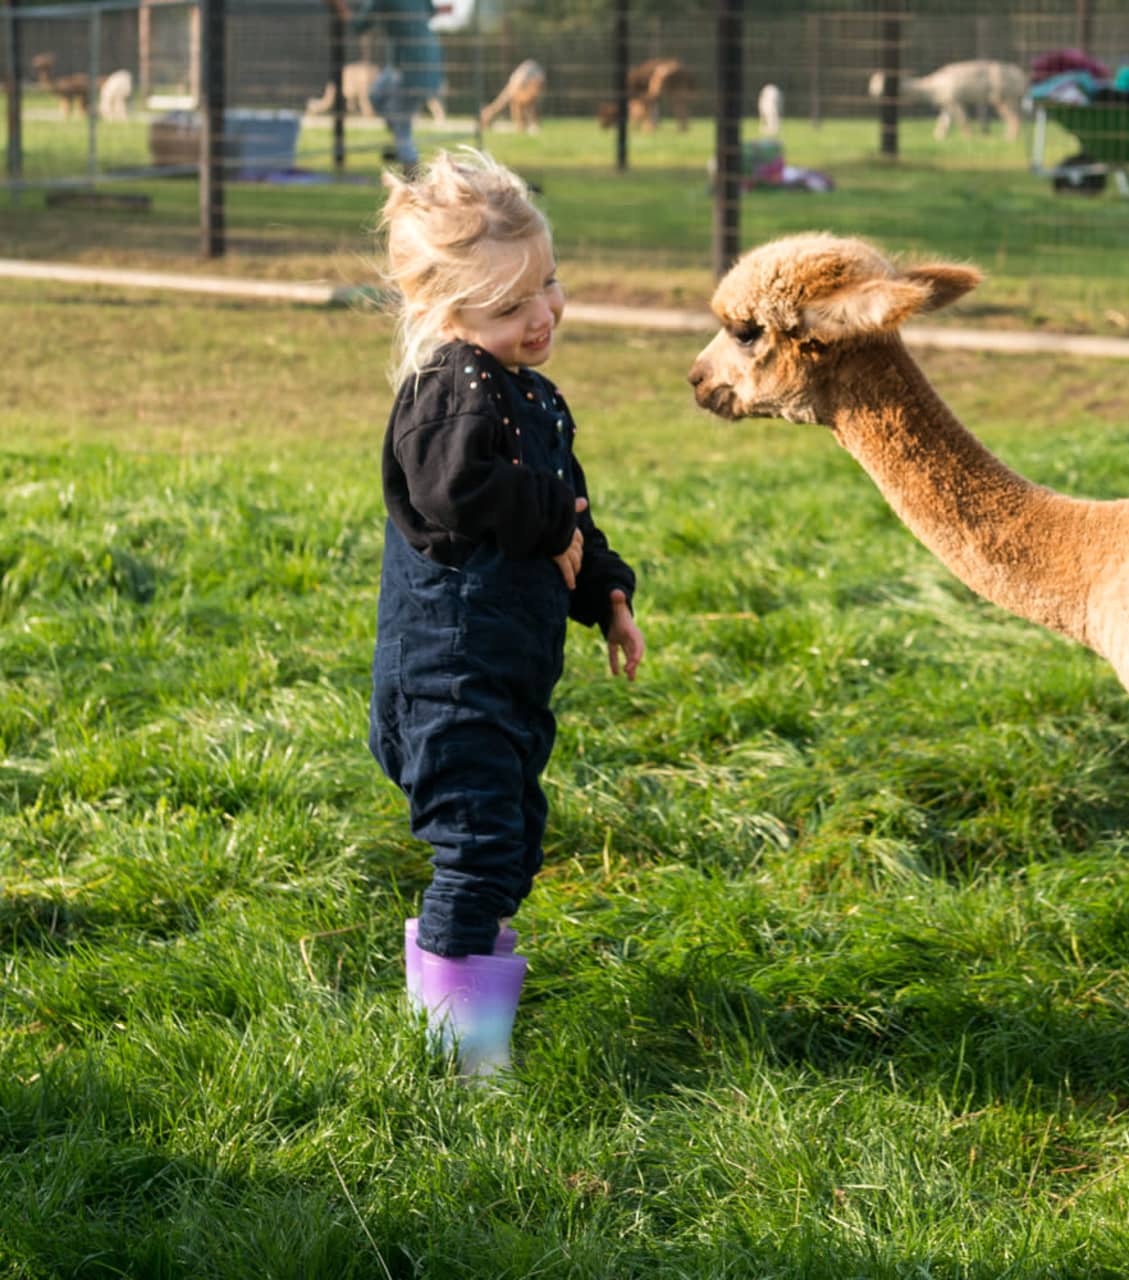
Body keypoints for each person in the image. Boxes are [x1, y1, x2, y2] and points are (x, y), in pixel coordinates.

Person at [370, 149, 645, 1076]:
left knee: (509, 844)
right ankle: (456, 1064)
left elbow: (566, 506)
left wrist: (604, 589)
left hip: (506, 672)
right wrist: (549, 533)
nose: (544, 314)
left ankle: (456, 977)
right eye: (512, 305)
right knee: (482, 848)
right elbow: (458, 493)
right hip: (450, 676)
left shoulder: (527, 391)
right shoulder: (449, 389)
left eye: (550, 285)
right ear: (448, 316)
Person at [330, 0, 442, 168]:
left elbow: (359, 25)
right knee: (375, 95)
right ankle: (400, 142)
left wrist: (340, 7)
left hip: (408, 67)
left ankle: (412, 172)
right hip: (426, 59)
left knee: (401, 127)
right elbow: (431, 11)